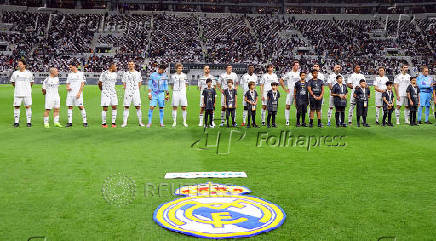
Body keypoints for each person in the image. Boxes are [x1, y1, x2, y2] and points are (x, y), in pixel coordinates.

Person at [10, 59, 34, 127]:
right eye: (18, 64)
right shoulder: (15, 73)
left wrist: (27, 89)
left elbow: (31, 82)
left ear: (24, 65)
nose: (19, 65)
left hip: (27, 93)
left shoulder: (29, 73)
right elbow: (13, 82)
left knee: (28, 106)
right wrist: (18, 87)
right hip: (17, 93)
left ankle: (28, 122)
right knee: (16, 107)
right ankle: (16, 122)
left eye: (20, 64)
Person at [122, 61, 144, 127]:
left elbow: (140, 83)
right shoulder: (125, 73)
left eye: (132, 64)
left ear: (134, 65)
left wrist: (136, 90)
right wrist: (127, 89)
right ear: (128, 65)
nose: (130, 65)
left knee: (138, 106)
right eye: (129, 64)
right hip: (128, 91)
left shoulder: (138, 73)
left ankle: (140, 122)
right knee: (126, 106)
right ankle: (124, 123)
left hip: (136, 92)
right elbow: (124, 83)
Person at [65, 61, 87, 128]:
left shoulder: (81, 74)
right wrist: (67, 87)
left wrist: (79, 93)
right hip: (70, 94)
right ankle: (70, 122)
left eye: (71, 67)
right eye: (69, 67)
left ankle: (85, 122)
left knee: (80, 106)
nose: (70, 68)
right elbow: (67, 83)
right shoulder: (69, 74)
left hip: (77, 93)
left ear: (74, 66)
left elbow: (82, 84)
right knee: (70, 106)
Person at [280, 60, 300, 126]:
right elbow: (281, 80)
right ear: (293, 66)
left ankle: (298, 120)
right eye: (296, 65)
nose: (297, 66)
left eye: (298, 65)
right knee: (288, 106)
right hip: (290, 91)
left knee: (298, 106)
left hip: (298, 92)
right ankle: (287, 121)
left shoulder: (299, 73)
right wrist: (285, 89)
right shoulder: (289, 74)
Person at [98, 62, 118, 128]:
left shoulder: (115, 74)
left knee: (114, 106)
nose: (116, 67)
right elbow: (99, 83)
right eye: (115, 66)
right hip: (105, 93)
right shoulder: (104, 74)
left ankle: (113, 122)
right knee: (105, 108)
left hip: (113, 92)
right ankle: (104, 123)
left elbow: (113, 83)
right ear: (111, 67)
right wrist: (102, 90)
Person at [170, 63, 188, 127]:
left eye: (181, 68)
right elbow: (171, 85)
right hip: (175, 92)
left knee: (184, 107)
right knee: (175, 107)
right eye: (179, 68)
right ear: (176, 69)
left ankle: (184, 122)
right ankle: (174, 122)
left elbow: (186, 84)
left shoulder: (184, 75)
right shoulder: (173, 76)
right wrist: (175, 90)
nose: (180, 69)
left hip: (182, 93)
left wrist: (183, 90)